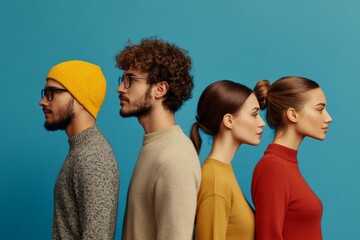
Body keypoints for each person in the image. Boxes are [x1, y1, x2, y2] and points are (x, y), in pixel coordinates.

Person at [115, 38, 201, 240]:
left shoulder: (174, 159)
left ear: (160, 89)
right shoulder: (155, 145)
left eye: (130, 80)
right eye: (122, 80)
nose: (120, 88)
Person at [39, 60, 119, 239]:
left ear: (79, 99)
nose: (42, 101)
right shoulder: (81, 150)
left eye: (52, 93)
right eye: (45, 93)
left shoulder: (93, 157)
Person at [251, 76, 333, 240]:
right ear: (293, 114)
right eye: (319, 109)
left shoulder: (285, 163)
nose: (328, 117)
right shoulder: (273, 167)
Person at [190, 80, 265, 240]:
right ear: (229, 121)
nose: (262, 123)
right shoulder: (215, 179)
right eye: (254, 114)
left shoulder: (223, 171)